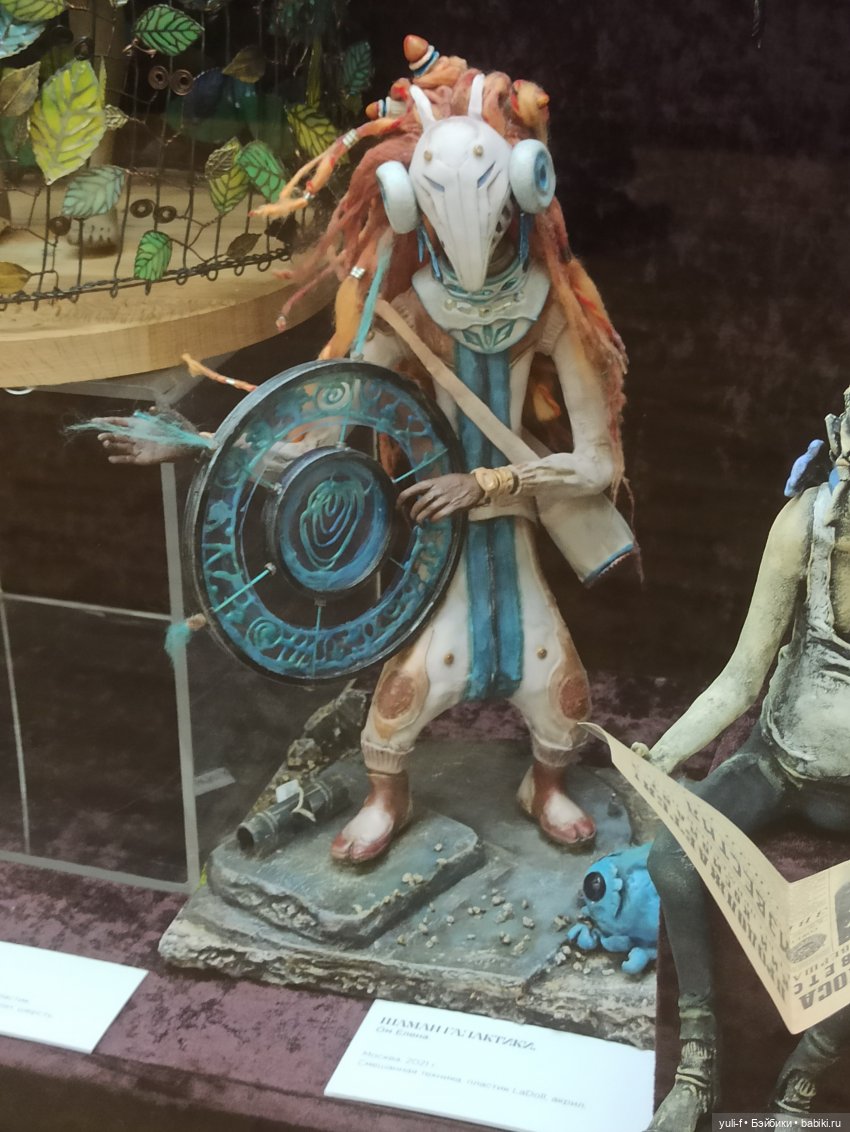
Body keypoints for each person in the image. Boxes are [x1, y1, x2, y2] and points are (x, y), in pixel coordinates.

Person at [100, 36, 632, 866]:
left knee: (558, 694)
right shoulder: (407, 314)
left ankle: (545, 785)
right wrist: (196, 443)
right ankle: (391, 797)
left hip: (510, 533)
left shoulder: (552, 312)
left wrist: (488, 480)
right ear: (409, 204)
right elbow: (317, 428)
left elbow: (599, 465)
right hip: (439, 554)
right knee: (401, 704)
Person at [641, 390, 850, 1130]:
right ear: (839, 441)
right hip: (777, 759)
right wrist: (662, 756)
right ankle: (698, 1060)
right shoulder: (803, 527)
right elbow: (742, 677)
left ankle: (808, 1072)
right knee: (673, 857)